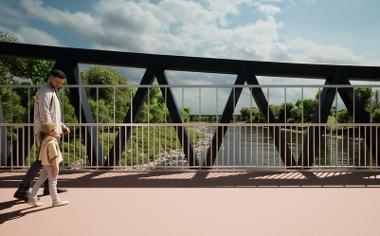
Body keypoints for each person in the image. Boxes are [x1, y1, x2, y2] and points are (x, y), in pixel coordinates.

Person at [13, 69, 70, 201]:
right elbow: (45, 113)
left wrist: (61, 125)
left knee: (47, 160)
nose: (59, 84)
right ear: (50, 77)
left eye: (61, 83)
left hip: (51, 132)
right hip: (46, 133)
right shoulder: (45, 91)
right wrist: (52, 132)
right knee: (41, 161)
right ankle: (22, 189)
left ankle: (48, 188)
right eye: (57, 81)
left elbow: (52, 114)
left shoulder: (51, 91)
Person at [27, 122, 69, 207]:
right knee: (53, 183)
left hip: (45, 165)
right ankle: (55, 201)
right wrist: (56, 168)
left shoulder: (43, 140)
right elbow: (53, 156)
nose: (57, 131)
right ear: (51, 131)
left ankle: (32, 198)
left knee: (39, 181)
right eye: (55, 129)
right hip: (51, 166)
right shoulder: (52, 142)